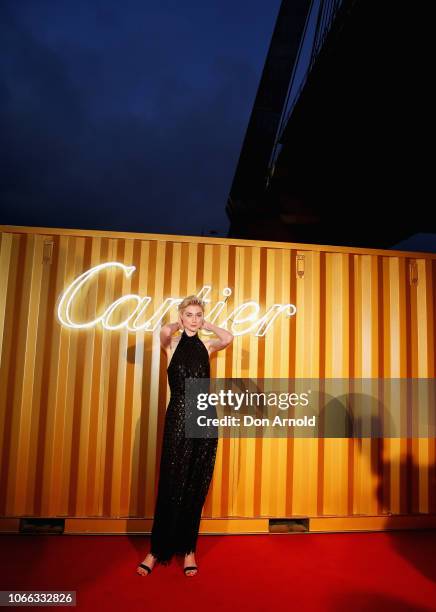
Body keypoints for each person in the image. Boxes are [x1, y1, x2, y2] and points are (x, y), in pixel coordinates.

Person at [136, 295, 233, 577]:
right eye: (189, 314)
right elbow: (163, 332)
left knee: (195, 480)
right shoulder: (173, 344)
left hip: (203, 413)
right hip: (178, 412)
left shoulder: (207, 344)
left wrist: (207, 323)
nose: (194, 319)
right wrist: (178, 323)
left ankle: (189, 549)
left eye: (198, 314)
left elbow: (228, 337)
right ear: (181, 317)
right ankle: (156, 551)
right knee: (171, 479)